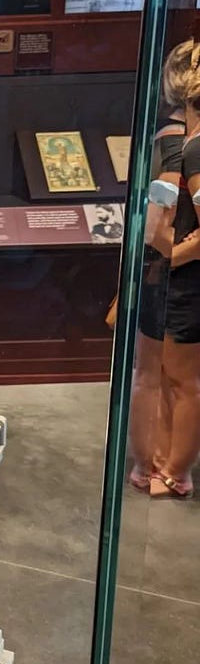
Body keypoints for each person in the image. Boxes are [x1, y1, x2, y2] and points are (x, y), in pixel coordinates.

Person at [128, 45, 187, 489]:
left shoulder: (176, 138)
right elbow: (158, 219)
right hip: (170, 271)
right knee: (163, 376)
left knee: (167, 377)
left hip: (171, 271)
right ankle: (157, 465)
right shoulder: (178, 140)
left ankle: (160, 465)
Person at [149, 40, 200, 498]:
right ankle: (166, 458)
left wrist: (169, 252)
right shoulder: (182, 138)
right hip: (179, 277)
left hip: (187, 280)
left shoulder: (193, 144)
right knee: (171, 376)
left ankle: (176, 471)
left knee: (185, 381)